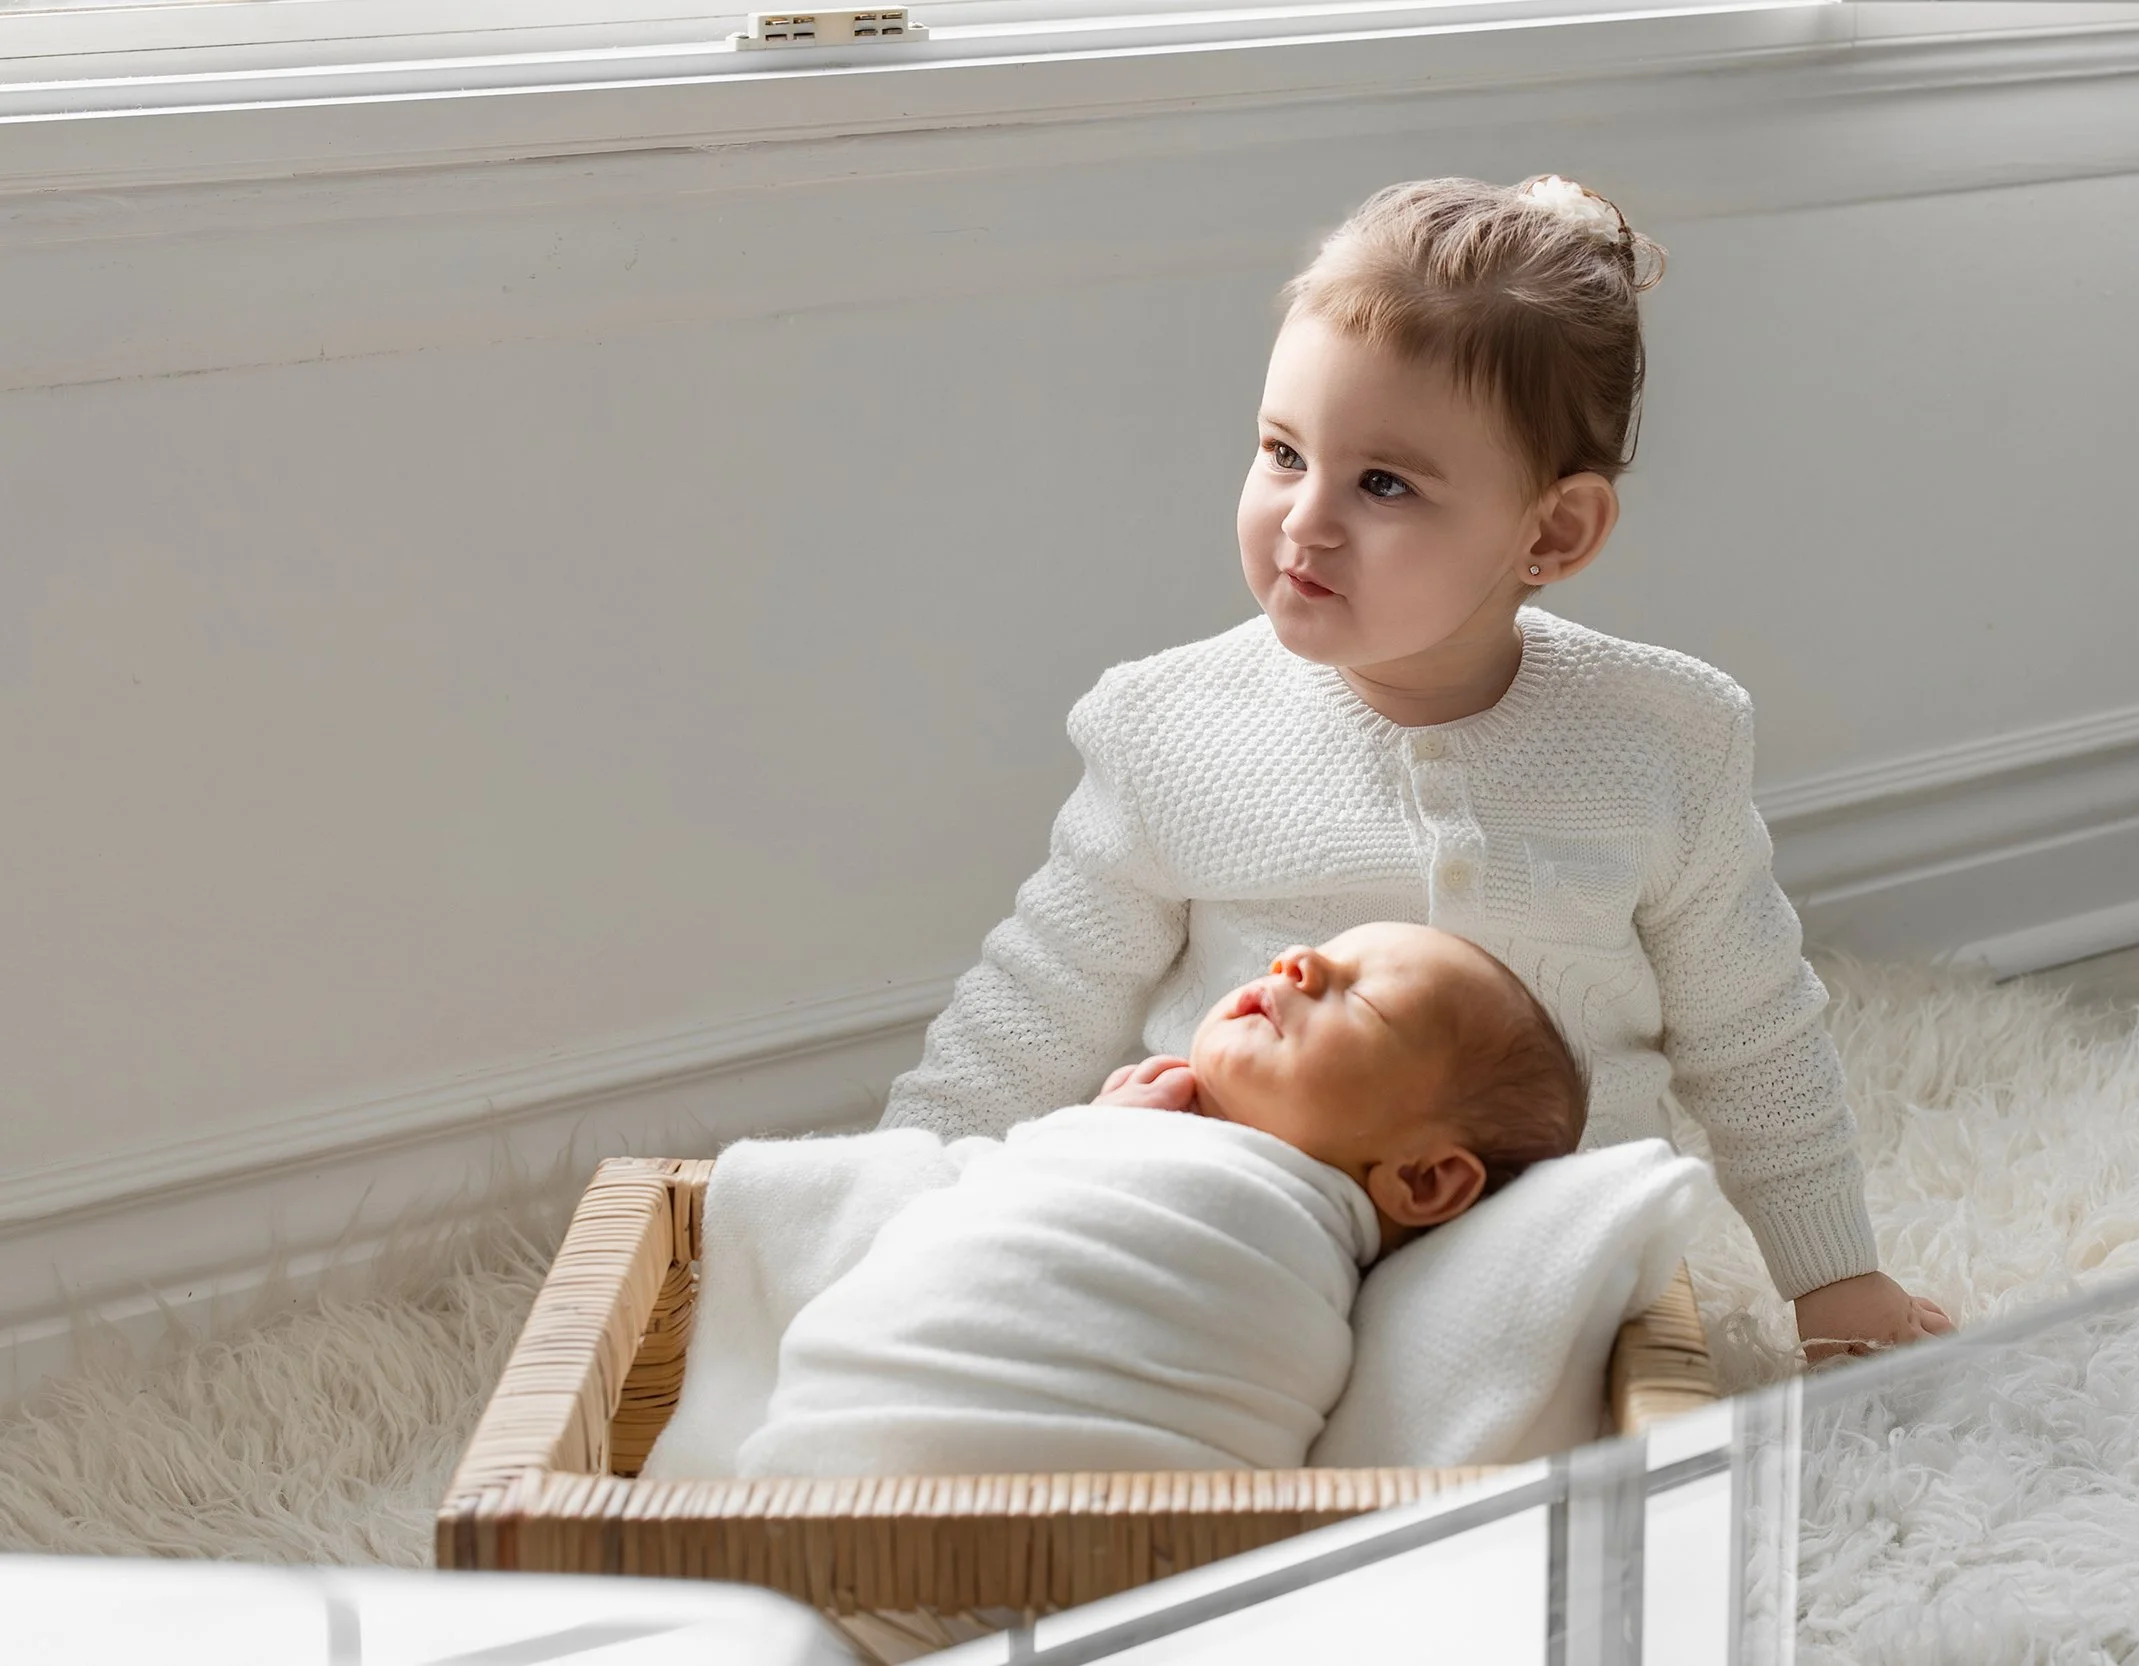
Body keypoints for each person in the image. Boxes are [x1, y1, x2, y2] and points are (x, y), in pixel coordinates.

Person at [877, 173, 1951, 1363]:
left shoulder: (1662, 737)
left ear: (1551, 533)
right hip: (1236, 1222)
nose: (1305, 521)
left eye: (1382, 484)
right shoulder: (1169, 726)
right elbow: (1036, 999)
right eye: (1283, 453)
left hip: (1551, 1247)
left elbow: (1752, 1033)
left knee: (1551, 1382)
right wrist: (902, 1195)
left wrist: (1834, 1274)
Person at [741, 923, 1585, 1476]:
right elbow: (990, 1210)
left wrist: (1097, 1136)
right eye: (1314, 954)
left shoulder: (1314, 1245)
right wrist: (1090, 1131)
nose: (1301, 960)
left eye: (1360, 996)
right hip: (841, 1437)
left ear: (1423, 1180)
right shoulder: (1111, 1133)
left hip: (1105, 1502)